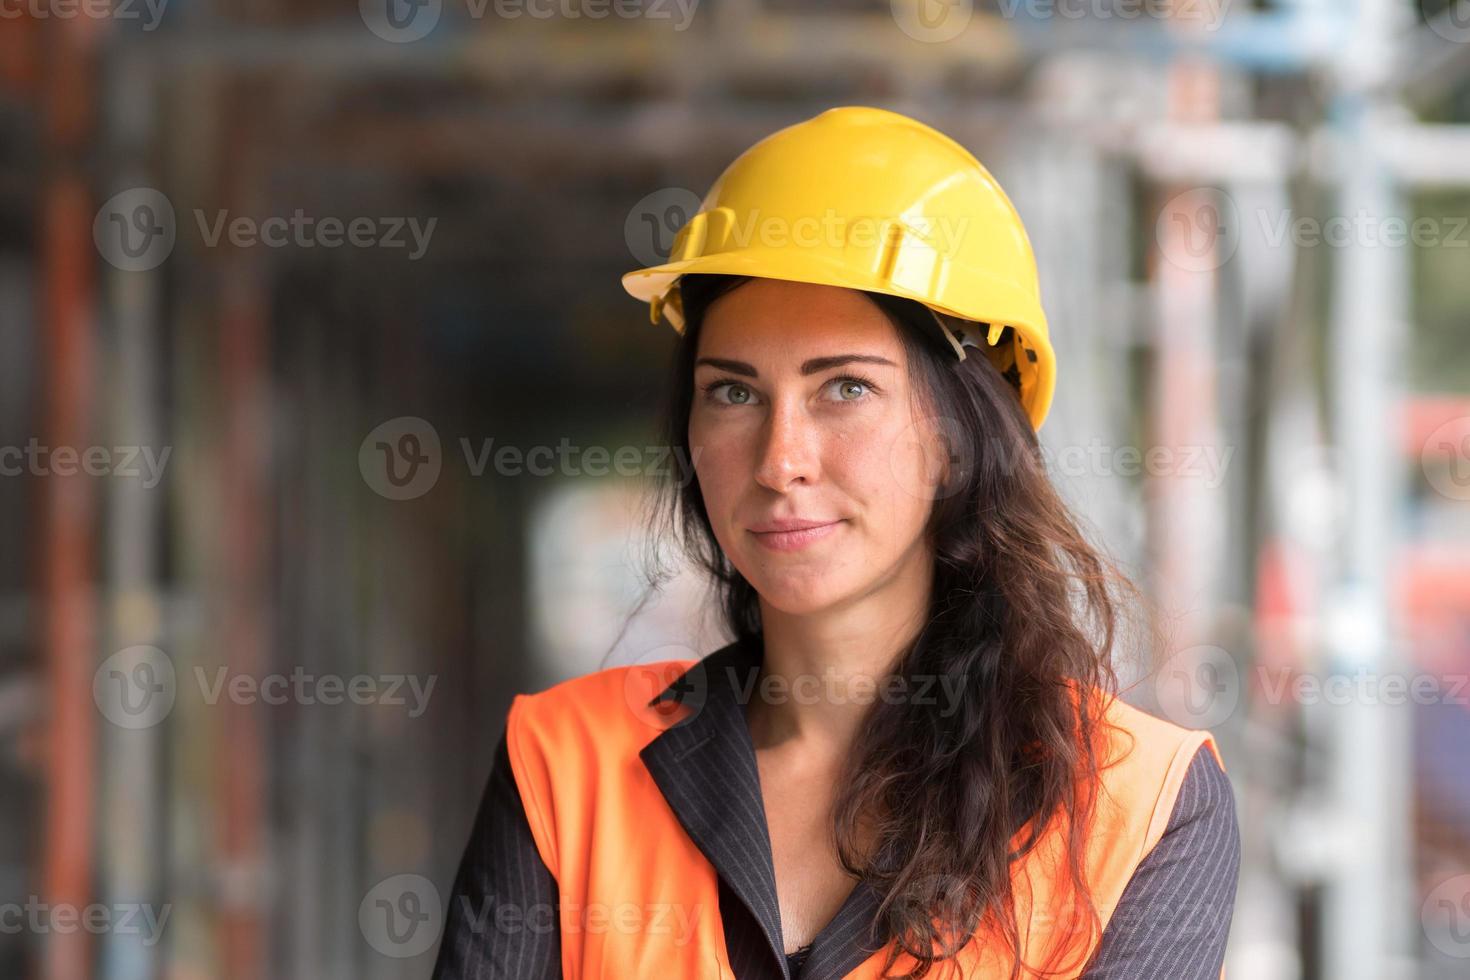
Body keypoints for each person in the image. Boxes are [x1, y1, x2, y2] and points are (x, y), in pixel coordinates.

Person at [431, 106, 1240, 980]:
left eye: (846, 388)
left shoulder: (1137, 806)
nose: (780, 461)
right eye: (734, 394)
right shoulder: (567, 765)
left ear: (962, 435)